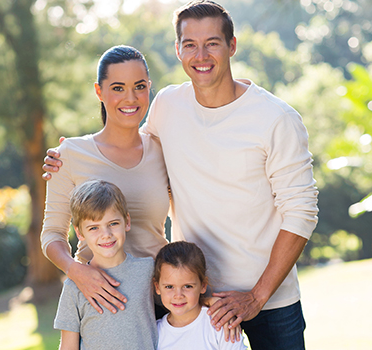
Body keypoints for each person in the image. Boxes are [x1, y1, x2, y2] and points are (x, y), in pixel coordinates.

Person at [43, 1, 319, 348]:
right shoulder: (169, 107)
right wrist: (71, 153)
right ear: (178, 50)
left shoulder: (276, 118)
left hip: (267, 299)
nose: (200, 55)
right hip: (187, 296)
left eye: (212, 43)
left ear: (232, 46)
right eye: (190, 44)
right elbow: (126, 142)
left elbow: (302, 212)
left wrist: (257, 297)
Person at [40, 45, 170, 315]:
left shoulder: (163, 149)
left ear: (149, 88)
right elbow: (52, 234)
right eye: (118, 88)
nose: (131, 98)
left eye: (140, 86)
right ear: (99, 91)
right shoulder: (71, 155)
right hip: (101, 299)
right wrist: (77, 273)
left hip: (161, 301)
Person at [54, 179, 157, 350]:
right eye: (94, 228)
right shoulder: (74, 287)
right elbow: (68, 346)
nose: (106, 234)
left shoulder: (148, 270)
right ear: (79, 232)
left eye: (113, 224)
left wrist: (208, 300)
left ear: (127, 222)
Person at [154, 241, 248, 350]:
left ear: (203, 285)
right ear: (157, 287)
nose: (178, 295)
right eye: (169, 287)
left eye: (187, 286)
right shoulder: (155, 332)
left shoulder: (219, 323)